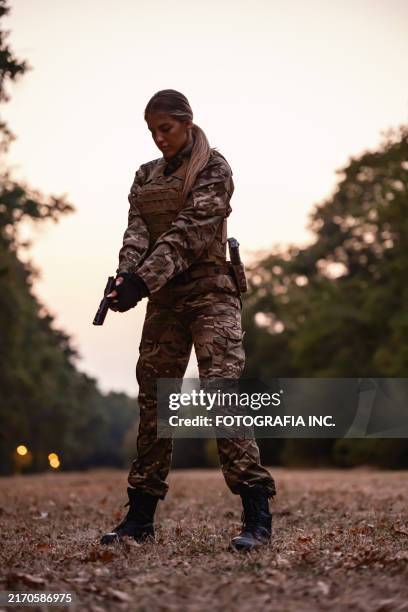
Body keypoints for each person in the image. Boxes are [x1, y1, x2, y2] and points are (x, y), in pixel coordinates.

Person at [100, 90, 276, 551]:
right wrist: (125, 277)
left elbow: (192, 232)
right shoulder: (146, 175)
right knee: (156, 405)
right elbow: (137, 230)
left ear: (187, 122)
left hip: (212, 295)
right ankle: (139, 518)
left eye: (166, 129)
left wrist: (143, 281)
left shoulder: (213, 168)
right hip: (165, 299)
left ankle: (257, 514)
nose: (159, 139)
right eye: (152, 131)